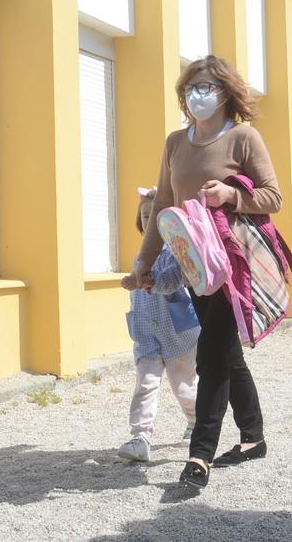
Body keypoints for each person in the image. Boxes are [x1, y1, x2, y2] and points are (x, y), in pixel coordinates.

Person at [122, 55, 282, 489]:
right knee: (228, 354)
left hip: (236, 265)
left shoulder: (244, 138)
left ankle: (200, 456)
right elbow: (160, 209)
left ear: (226, 92)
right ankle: (253, 437)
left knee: (211, 355)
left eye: (208, 85)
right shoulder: (176, 142)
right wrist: (144, 264)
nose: (199, 93)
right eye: (193, 85)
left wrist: (231, 194)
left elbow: (272, 197)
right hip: (194, 266)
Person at [115, 188, 200, 462]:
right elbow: (136, 295)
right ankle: (141, 436)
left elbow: (173, 280)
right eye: (145, 217)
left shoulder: (177, 251)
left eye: (155, 218)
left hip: (177, 333)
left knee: (184, 387)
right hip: (147, 335)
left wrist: (146, 282)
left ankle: (197, 420)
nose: (149, 222)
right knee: (146, 384)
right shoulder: (139, 257)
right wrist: (134, 284)